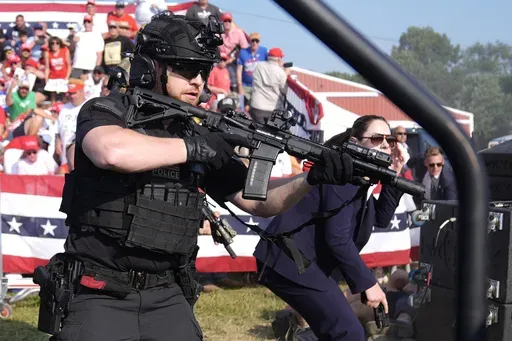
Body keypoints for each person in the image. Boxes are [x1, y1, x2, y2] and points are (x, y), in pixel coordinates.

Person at [40, 12, 353, 341]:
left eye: (203, 72)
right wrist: (195, 147)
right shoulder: (107, 109)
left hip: (167, 294)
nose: (198, 82)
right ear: (151, 68)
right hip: (100, 290)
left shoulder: (197, 134)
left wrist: (311, 179)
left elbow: (259, 202)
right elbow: (112, 151)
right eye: (186, 69)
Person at [254, 115, 407, 341]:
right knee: (348, 332)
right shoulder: (343, 175)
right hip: (290, 260)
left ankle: (293, 331)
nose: (385, 144)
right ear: (355, 142)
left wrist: (395, 172)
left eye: (389, 139)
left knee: (336, 331)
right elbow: (337, 238)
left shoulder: (360, 177)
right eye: (377, 138)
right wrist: (368, 284)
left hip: (302, 263)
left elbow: (381, 218)